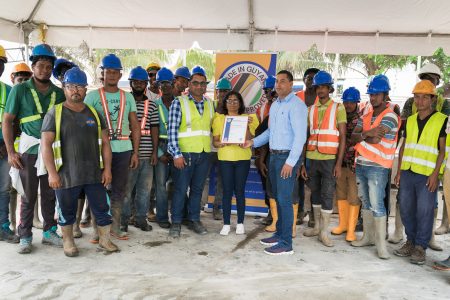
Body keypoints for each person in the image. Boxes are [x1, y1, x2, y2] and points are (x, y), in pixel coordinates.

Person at [40, 67, 118, 256]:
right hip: (66, 175)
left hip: (94, 174)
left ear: (85, 89)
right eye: (71, 86)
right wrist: (52, 173)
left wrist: (107, 169)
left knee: (102, 208)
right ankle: (68, 242)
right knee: (66, 211)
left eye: (80, 86)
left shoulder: (93, 113)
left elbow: (106, 144)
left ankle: (105, 240)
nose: (75, 90)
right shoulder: (55, 113)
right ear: (64, 88)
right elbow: (46, 145)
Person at [2, 44, 66, 254]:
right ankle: (25, 235)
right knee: (28, 194)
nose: (45, 70)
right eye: (41, 66)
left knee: (50, 193)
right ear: (34, 66)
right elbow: (8, 121)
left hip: (52, 150)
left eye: (49, 66)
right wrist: (11, 152)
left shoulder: (59, 93)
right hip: (28, 150)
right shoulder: (20, 89)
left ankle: (49, 231)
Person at [245, 70, 307, 255]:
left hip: (286, 158)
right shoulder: (275, 105)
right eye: (277, 82)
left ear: (290, 84)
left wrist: (291, 162)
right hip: (273, 156)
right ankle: (279, 234)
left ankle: (286, 243)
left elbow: (300, 137)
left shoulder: (297, 106)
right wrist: (253, 142)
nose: (278, 85)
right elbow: (270, 133)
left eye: (282, 81)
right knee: (278, 198)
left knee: (284, 200)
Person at [84, 54, 140, 241]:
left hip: (123, 149)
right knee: (97, 191)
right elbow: (84, 124)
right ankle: (97, 231)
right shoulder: (92, 96)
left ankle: (114, 229)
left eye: (116, 72)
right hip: (99, 150)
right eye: (109, 72)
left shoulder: (128, 97)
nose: (112, 75)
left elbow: (135, 126)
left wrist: (135, 153)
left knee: (119, 191)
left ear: (120, 74)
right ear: (103, 73)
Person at [393, 80, 447, 265]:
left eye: (425, 97)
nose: (420, 101)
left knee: (424, 211)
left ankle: (420, 247)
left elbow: (442, 150)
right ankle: (410, 240)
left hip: (427, 174)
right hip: (408, 171)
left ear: (432, 98)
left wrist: (435, 174)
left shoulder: (442, 120)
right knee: (406, 208)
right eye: (417, 97)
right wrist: (399, 171)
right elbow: (403, 147)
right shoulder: (409, 122)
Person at [350, 75, 400, 259]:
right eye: (371, 94)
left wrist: (364, 135)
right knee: (366, 202)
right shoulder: (367, 115)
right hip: (362, 164)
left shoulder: (391, 116)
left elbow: (376, 138)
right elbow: (353, 137)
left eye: (377, 94)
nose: (373, 98)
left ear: (385, 94)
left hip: (378, 167)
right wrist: (367, 133)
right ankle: (367, 237)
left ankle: (381, 245)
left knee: (378, 204)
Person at [167, 65, 214, 238]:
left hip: (204, 154)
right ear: (189, 85)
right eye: (196, 83)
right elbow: (172, 132)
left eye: (203, 83)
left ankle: (194, 219)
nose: (200, 86)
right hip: (185, 155)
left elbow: (213, 129)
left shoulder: (210, 104)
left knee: (197, 189)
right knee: (180, 189)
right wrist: (176, 154)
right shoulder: (179, 102)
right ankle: (177, 222)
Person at [301, 70, 346, 248]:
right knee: (315, 193)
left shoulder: (338, 108)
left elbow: (343, 137)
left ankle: (325, 232)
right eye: (317, 87)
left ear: (330, 88)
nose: (320, 90)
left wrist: (339, 163)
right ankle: (318, 227)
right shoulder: (310, 110)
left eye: (323, 87)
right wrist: (303, 163)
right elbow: (305, 137)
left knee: (328, 195)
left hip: (329, 159)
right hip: (312, 158)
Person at [212, 91, 259, 235]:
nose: (232, 103)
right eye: (229, 100)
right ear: (225, 103)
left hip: (242, 159)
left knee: (239, 191)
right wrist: (223, 144)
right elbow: (215, 141)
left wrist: (245, 125)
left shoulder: (249, 118)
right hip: (225, 158)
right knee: (227, 191)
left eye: (235, 100)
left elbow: (250, 139)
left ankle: (240, 223)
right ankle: (226, 224)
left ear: (240, 103)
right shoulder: (219, 119)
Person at [121, 66, 159, 232]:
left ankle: (140, 219)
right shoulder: (123, 102)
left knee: (144, 190)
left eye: (142, 82)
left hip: (147, 155)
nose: (138, 84)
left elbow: (154, 128)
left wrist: (155, 152)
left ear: (146, 84)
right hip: (127, 154)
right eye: (135, 81)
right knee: (127, 191)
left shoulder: (151, 105)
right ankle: (123, 220)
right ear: (130, 83)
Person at [331, 87, 362, 242]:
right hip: (340, 163)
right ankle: (343, 224)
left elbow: (356, 140)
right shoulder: (339, 116)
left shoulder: (361, 118)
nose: (348, 105)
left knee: (354, 196)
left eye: (351, 102)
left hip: (354, 164)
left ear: (357, 102)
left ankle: (351, 230)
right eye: (346, 102)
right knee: (341, 193)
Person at [296, 67, 320, 227]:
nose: (311, 81)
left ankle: (313, 214)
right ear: (304, 79)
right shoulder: (296, 97)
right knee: (297, 179)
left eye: (314, 78)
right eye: (309, 78)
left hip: (314, 146)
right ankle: (298, 212)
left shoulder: (322, 99)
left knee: (313, 182)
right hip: (297, 144)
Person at [0, 45, 19, 243]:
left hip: (4, 147)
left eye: (1, 63)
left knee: (4, 188)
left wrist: (8, 145)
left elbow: (16, 121)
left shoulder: (9, 90)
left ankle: (3, 227)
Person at [206, 77, 231, 220]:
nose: (223, 94)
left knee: (222, 181)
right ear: (216, 92)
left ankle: (217, 208)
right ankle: (199, 206)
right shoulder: (211, 106)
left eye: (226, 91)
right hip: (209, 149)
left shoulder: (232, 109)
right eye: (221, 91)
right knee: (203, 179)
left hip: (224, 151)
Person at [155, 68, 177, 229]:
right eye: (162, 83)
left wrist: (176, 150)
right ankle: (162, 217)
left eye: (168, 83)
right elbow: (149, 131)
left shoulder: (181, 103)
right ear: (158, 86)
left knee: (178, 184)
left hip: (177, 146)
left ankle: (178, 216)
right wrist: (159, 153)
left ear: (173, 83)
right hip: (160, 145)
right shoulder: (153, 105)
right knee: (161, 186)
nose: (165, 86)